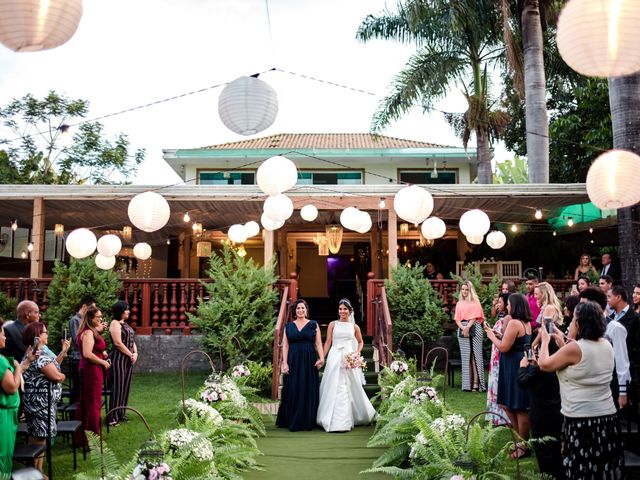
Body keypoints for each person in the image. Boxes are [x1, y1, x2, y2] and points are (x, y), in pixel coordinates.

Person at [538, 301, 624, 479]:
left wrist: (545, 341)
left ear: (580, 323)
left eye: (573, 319)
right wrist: (564, 343)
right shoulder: (606, 345)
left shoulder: (575, 348)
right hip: (606, 418)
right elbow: (582, 365)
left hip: (581, 420)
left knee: (582, 470)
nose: (570, 322)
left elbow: (544, 364)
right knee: (601, 468)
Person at [317, 298, 376, 432]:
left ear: (350, 311)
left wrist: (356, 353)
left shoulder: (355, 327)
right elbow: (327, 342)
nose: (342, 311)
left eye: (345, 309)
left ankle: (346, 420)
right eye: (340, 309)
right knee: (333, 384)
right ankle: (330, 419)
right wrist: (322, 357)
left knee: (348, 385)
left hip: (349, 357)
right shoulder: (333, 324)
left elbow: (360, 342)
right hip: (335, 356)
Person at [484, 293, 532, 457]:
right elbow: (512, 342)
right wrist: (501, 336)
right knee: (507, 404)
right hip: (515, 363)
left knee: (518, 406)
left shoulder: (514, 323)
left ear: (516, 305)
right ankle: (521, 441)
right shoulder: (525, 323)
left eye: (509, 304)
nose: (507, 307)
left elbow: (503, 348)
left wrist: (491, 336)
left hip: (514, 366)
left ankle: (524, 446)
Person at [21, 321, 69, 474]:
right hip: (39, 403)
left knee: (41, 436)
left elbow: (54, 365)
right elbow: (56, 375)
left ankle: (37, 471)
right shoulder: (39, 355)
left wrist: (63, 352)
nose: (47, 334)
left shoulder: (39, 353)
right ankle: (35, 472)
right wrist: (61, 376)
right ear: (37, 336)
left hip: (43, 403)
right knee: (39, 437)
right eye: (45, 332)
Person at [517, 338, 564, 479]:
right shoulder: (560, 367)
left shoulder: (538, 371)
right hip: (557, 412)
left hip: (541, 416)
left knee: (543, 452)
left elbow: (522, 381)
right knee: (555, 449)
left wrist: (522, 367)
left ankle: (549, 476)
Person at [276, 299, 323, 431]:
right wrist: (285, 363)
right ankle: (291, 418)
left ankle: (307, 419)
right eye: (298, 308)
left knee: (307, 386)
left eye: (302, 308)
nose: (300, 310)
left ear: (306, 310)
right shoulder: (288, 326)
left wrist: (322, 358)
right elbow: (285, 345)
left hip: (309, 359)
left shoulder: (313, 324)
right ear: (294, 311)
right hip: (293, 359)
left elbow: (318, 343)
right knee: (293, 386)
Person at [581, 287, 631, 411]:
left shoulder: (614, 328)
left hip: (610, 383)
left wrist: (623, 392)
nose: (580, 309)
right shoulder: (583, 327)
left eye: (583, 305)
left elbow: (622, 361)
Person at [0, 319, 30, 478]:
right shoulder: (0, 361)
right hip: (3, 416)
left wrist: (24, 363)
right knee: (2, 455)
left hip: (7, 414)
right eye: (2, 334)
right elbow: (12, 387)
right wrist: (18, 367)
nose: (5, 338)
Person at [77, 306, 110, 445]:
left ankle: (86, 437)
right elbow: (87, 354)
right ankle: (93, 439)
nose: (100, 319)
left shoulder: (91, 331)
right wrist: (102, 361)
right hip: (91, 371)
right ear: (91, 318)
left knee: (89, 402)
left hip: (92, 369)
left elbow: (93, 350)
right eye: (98, 317)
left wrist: (101, 353)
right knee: (93, 404)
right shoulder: (88, 333)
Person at [108, 301, 138, 427]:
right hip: (119, 359)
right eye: (126, 309)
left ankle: (121, 414)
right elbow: (118, 343)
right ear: (120, 311)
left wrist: (135, 353)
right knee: (118, 387)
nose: (128, 311)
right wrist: (130, 354)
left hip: (127, 360)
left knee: (125, 387)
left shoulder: (124, 324)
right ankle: (112, 417)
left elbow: (131, 340)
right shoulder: (114, 324)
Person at [454, 281, 485, 392]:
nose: (464, 291)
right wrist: (463, 328)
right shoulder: (459, 303)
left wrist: (468, 327)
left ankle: (477, 383)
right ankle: (467, 384)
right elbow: (457, 319)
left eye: (466, 289)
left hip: (475, 328)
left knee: (476, 356)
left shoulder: (475, 302)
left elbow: (475, 317)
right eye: (462, 289)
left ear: (470, 290)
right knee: (466, 356)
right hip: (462, 329)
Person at [486, 293, 509, 426]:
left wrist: (492, 336)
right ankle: (495, 415)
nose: (497, 304)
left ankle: (502, 417)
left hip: (500, 353)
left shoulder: (508, 319)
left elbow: (506, 340)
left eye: (500, 302)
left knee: (499, 383)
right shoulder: (502, 317)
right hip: (496, 353)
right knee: (495, 383)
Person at [68, 295, 95, 403]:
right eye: (91, 308)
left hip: (84, 357)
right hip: (77, 358)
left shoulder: (85, 320)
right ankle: (75, 414)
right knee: (78, 388)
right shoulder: (75, 320)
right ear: (84, 306)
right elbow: (77, 339)